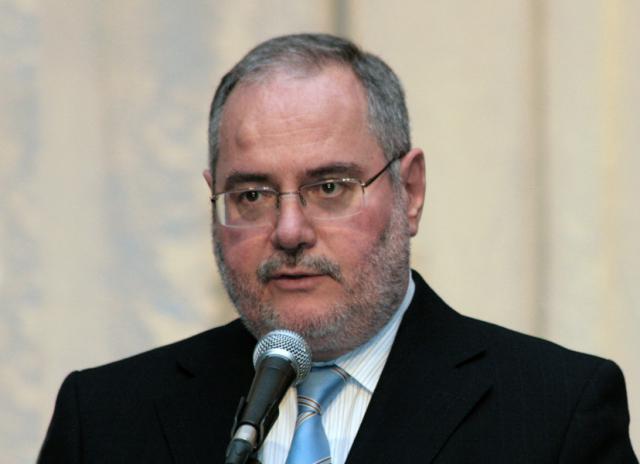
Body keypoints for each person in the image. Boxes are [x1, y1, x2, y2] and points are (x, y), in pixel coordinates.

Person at [39, 33, 637, 463]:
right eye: (251, 195)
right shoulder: (105, 420)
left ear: (410, 192)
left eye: (330, 187)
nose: (289, 231)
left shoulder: (554, 414)